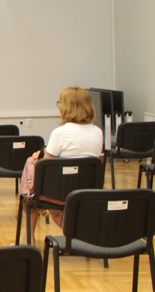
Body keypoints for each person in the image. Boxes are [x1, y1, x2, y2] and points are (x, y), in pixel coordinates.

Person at [20, 86, 104, 244]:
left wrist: (36, 159)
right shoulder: (97, 132)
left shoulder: (60, 133)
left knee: (30, 164)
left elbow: (46, 168)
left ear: (67, 107)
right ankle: (37, 206)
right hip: (86, 193)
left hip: (58, 194)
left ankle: (29, 234)